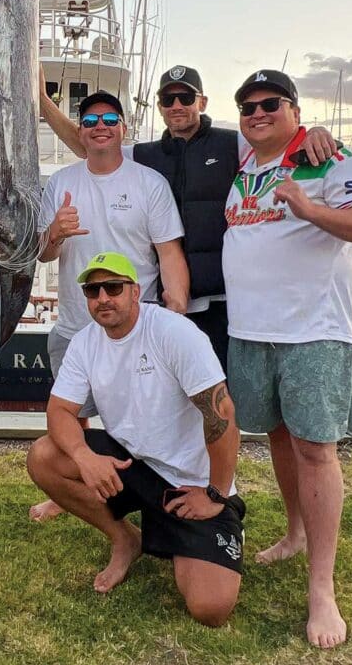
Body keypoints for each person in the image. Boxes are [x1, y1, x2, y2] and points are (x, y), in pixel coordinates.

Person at [223, 69, 352, 649]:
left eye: (270, 104)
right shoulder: (247, 157)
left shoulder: (328, 157)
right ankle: (294, 532)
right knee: (276, 435)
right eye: (247, 106)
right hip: (250, 331)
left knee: (316, 449)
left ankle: (322, 590)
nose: (256, 113)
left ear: (294, 109)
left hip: (313, 331)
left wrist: (311, 210)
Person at [39, 64, 337, 370]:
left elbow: (276, 139)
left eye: (185, 97)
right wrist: (42, 100)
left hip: (220, 301)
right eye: (168, 100)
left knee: (219, 393)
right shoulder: (143, 155)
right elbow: (87, 144)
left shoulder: (232, 144)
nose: (177, 106)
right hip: (166, 302)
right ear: (160, 107)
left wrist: (312, 133)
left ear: (202, 102)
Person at [27, 251, 244, 626]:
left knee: (211, 608)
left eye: (113, 287)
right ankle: (126, 539)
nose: (103, 298)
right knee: (43, 457)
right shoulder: (85, 342)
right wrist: (83, 456)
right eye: (93, 290)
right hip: (132, 465)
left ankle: (194, 535)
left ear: (135, 291)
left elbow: (220, 414)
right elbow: (59, 411)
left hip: (189, 483)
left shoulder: (171, 331)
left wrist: (216, 493)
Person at [31, 90, 188, 521]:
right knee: (70, 419)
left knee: (149, 421)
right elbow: (43, 254)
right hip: (75, 326)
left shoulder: (149, 183)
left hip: (139, 328)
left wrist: (176, 314)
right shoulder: (61, 182)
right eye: (90, 120)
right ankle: (71, 486)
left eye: (109, 118)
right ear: (80, 132)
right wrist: (55, 234)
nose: (99, 126)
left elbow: (169, 252)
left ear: (123, 127)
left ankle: (153, 493)